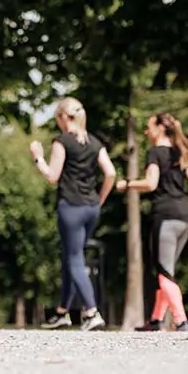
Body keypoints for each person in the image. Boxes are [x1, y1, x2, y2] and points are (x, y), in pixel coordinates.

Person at [31, 98, 116, 331]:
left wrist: (38, 157)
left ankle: (91, 312)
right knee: (72, 255)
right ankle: (62, 312)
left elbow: (52, 176)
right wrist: (100, 200)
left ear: (62, 117)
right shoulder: (94, 142)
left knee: (74, 259)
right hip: (91, 209)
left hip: (71, 208)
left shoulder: (62, 142)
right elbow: (110, 173)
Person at [117, 113, 188, 332]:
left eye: (149, 127)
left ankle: (181, 321)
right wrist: (185, 204)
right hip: (185, 219)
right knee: (167, 270)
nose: (146, 132)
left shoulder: (155, 152)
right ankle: (156, 320)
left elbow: (151, 183)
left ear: (159, 129)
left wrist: (127, 184)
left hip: (165, 217)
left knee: (165, 273)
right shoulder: (181, 153)